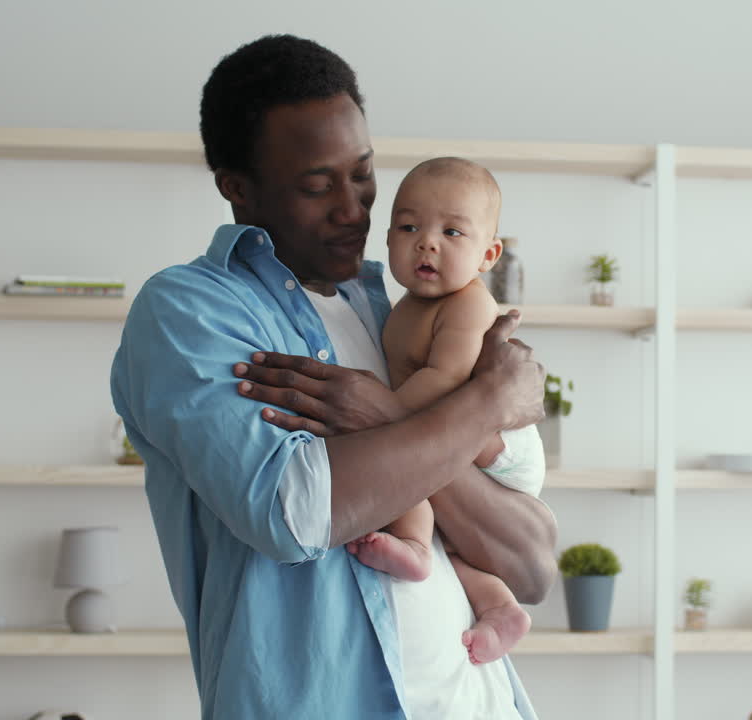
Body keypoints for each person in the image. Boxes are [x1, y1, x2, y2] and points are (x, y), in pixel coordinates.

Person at [110, 34, 557, 720]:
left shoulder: (404, 301)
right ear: (237, 185)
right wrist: (484, 402)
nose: (354, 209)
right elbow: (294, 511)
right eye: (317, 186)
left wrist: (382, 417)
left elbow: (531, 565)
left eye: (364, 174)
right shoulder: (191, 311)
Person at [349, 156, 543, 668]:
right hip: (460, 428)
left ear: (488, 254)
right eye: (409, 226)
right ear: (387, 237)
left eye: (452, 232)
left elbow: (445, 381)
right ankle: (499, 607)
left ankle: (414, 548)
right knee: (455, 541)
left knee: (412, 466)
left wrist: (385, 413)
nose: (427, 242)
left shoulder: (468, 305)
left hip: (503, 445)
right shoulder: (408, 305)